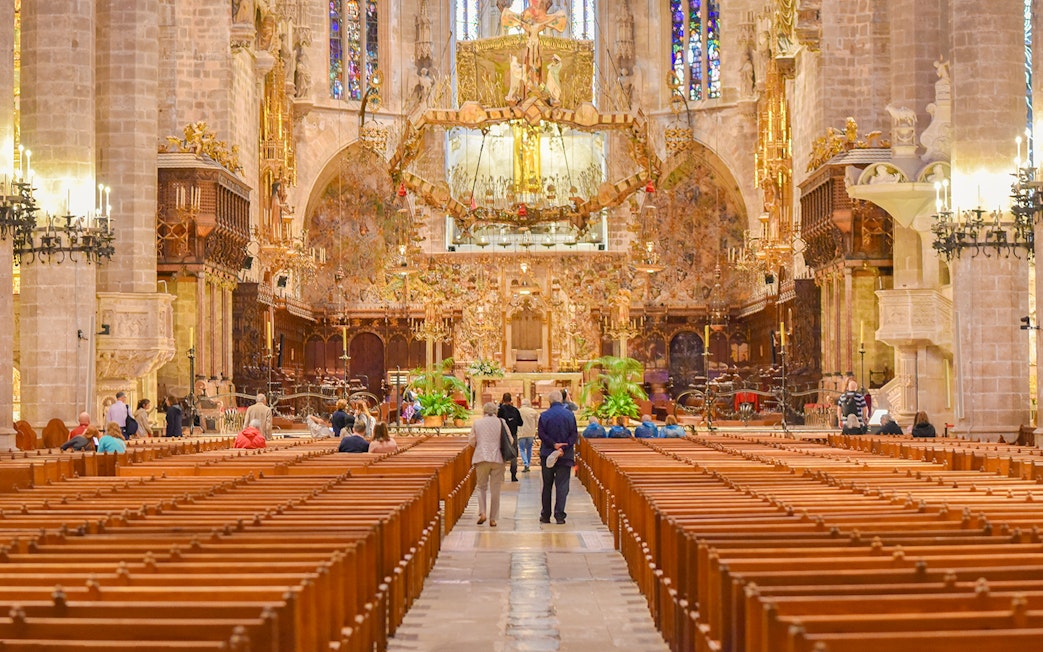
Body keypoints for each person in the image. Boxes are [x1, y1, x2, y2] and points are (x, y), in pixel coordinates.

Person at [537, 389, 577, 525]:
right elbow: (574, 435)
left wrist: (553, 445)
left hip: (547, 453)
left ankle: (546, 515)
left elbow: (541, 434)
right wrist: (563, 447)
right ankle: (560, 515)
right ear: (562, 400)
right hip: (565, 455)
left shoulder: (544, 415)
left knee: (547, 485)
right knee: (562, 485)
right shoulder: (570, 415)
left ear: (549, 401)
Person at [469, 402, 506, 527]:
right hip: (497, 458)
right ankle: (493, 518)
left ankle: (483, 512)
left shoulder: (477, 423)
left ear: (483, 411)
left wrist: (479, 445)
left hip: (481, 457)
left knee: (481, 487)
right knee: (496, 489)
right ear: (496, 411)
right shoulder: (501, 422)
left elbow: (471, 441)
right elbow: (510, 440)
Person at [497, 392, 523, 482]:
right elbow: (521, 423)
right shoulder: (515, 410)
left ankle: (501, 474)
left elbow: (498, 420)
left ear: (503, 399)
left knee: (501, 454)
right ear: (511, 400)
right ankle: (513, 475)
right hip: (513, 434)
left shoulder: (500, 409)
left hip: (503, 435)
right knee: (514, 455)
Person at [517, 398, 539, 472]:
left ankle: (525, 464)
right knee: (529, 449)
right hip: (531, 433)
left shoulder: (518, 411)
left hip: (521, 432)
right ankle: (528, 464)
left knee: (522, 449)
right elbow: (537, 422)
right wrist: (535, 429)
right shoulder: (533, 411)